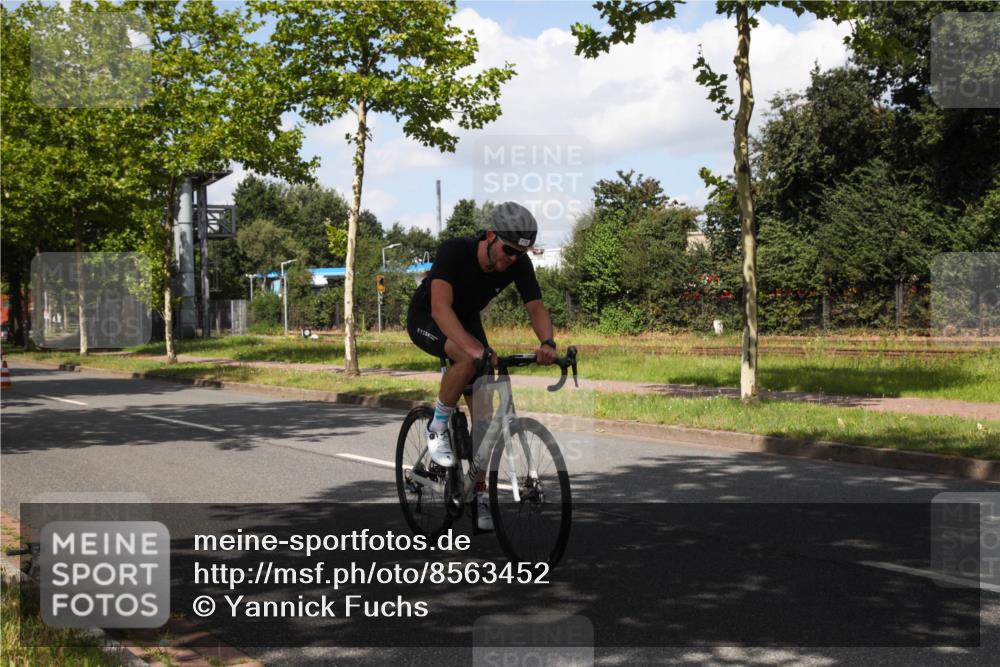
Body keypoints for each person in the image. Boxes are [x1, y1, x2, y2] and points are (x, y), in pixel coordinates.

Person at [406, 202, 558, 531]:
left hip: (467, 320)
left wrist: (548, 343)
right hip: (429, 316)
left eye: (520, 253)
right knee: (468, 356)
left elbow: (536, 307)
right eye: (508, 249)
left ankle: (478, 491)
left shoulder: (517, 263)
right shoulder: (454, 251)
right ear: (490, 236)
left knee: (486, 418)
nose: (512, 258)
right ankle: (436, 428)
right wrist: (475, 348)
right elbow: (441, 309)